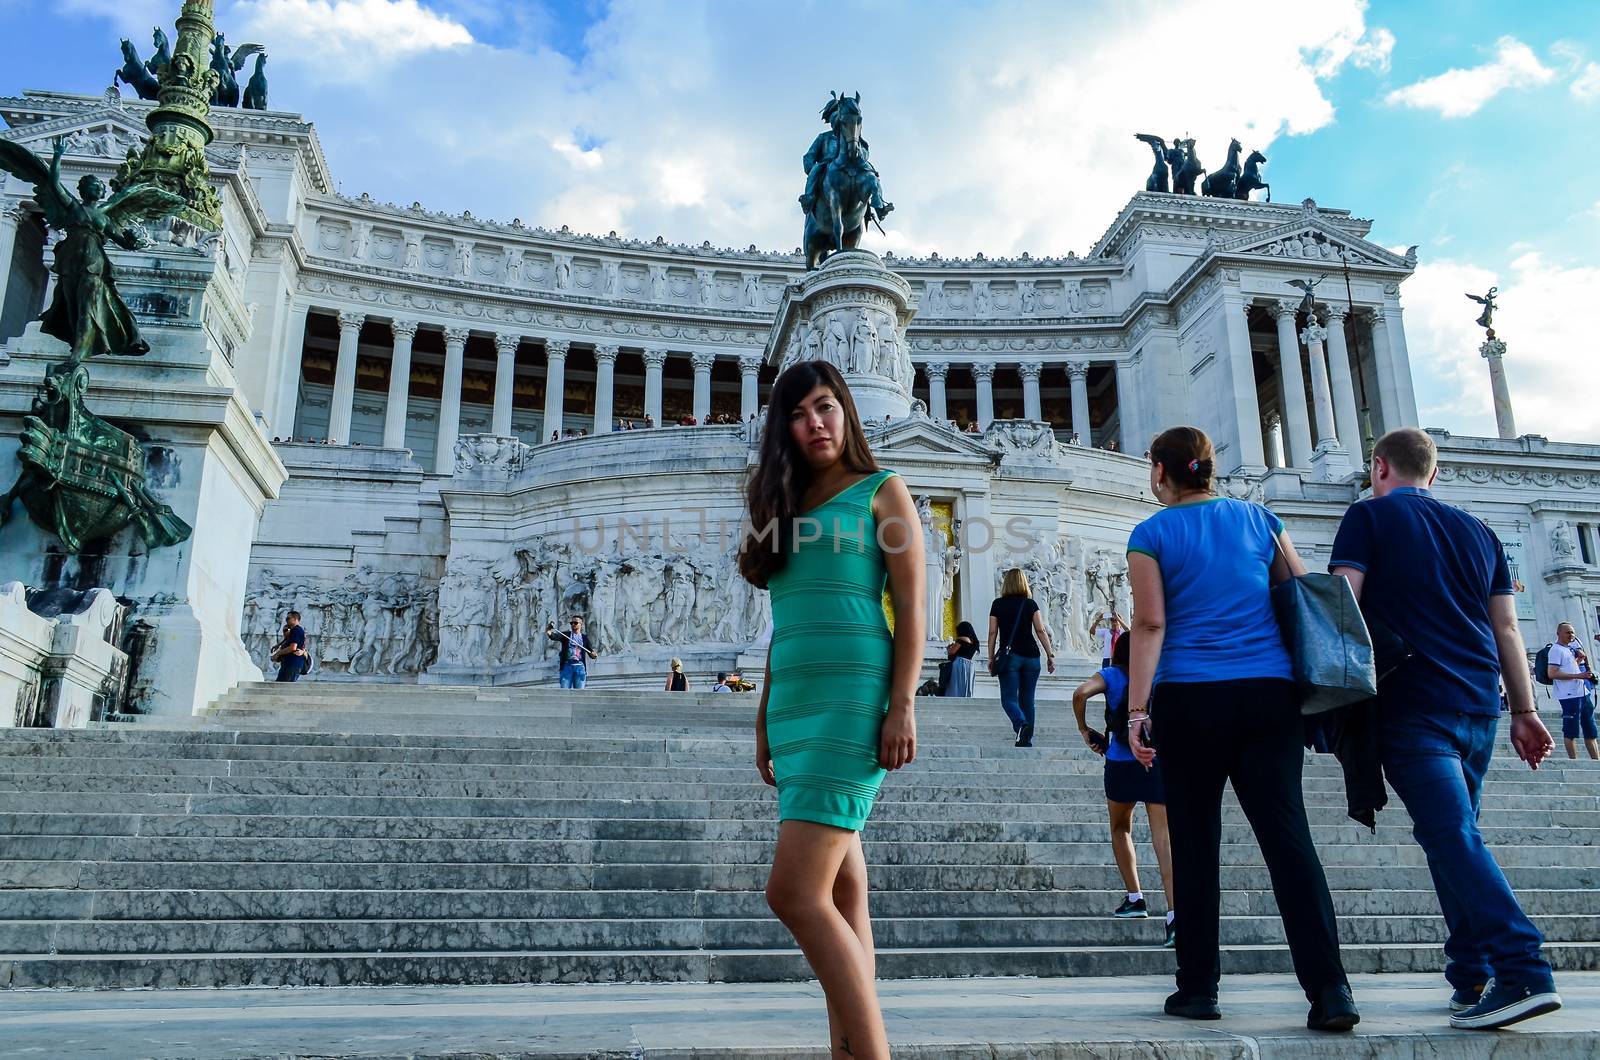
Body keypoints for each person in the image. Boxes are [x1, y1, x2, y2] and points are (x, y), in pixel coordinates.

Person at [1126, 426, 1356, 1031]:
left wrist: (1136, 712)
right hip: (1267, 696)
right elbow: (1300, 595)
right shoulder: (1260, 521)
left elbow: (1150, 626)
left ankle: (1198, 987)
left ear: (1159, 472)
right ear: (1207, 467)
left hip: (1190, 699)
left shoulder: (1150, 533)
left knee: (1195, 845)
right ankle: (1330, 990)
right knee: (1288, 840)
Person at [1330, 428, 1561, 1030]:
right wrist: (1525, 710)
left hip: (1413, 705)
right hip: (1481, 706)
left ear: (1379, 466)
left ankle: (1523, 969)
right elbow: (1508, 628)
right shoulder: (1480, 531)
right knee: (1453, 835)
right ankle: (1468, 974)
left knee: (1451, 835)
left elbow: (1342, 604)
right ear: (1432, 473)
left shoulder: (1368, 517)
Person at [737, 358, 923, 1059]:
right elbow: (785, 623)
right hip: (795, 705)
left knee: (793, 893)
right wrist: (763, 717)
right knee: (845, 897)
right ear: (782, 429)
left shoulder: (885, 489)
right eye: (798, 413)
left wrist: (903, 704)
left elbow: (911, 606)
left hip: (854, 700)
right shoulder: (780, 505)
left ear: (847, 412)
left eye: (825, 406)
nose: (814, 422)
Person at [1071, 632, 1175, 946]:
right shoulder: (1158, 673)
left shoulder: (1112, 675)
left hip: (1119, 760)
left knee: (1120, 827)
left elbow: (1080, 693)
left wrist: (1084, 729)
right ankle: (1174, 915)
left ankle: (1135, 897)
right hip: (1154, 760)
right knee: (1164, 837)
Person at [987, 569, 1056, 746]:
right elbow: (1040, 630)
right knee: (1028, 700)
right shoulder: (1030, 604)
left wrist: (990, 657)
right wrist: (1050, 654)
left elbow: (993, 632)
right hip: (1032, 657)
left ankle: (1021, 724)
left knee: (1009, 699)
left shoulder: (998, 604)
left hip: (1010, 657)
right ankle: (1027, 739)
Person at [1547, 622, 1598, 760]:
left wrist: (1579, 659)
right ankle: (1573, 761)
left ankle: (1596, 760)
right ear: (1559, 633)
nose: (1572, 635)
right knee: (1571, 731)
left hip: (1582, 693)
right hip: (1569, 696)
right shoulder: (1556, 650)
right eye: (1568, 632)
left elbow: (1570, 667)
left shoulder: (1569, 649)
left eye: (1573, 632)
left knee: (1591, 730)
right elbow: (1552, 673)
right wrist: (1578, 676)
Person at [545, 616, 596, 688]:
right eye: (572, 623)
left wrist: (593, 655)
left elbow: (591, 651)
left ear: (581, 625)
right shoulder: (566, 635)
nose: (573, 624)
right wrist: (549, 631)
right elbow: (554, 636)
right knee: (565, 690)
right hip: (567, 666)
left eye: (576, 623)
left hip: (580, 667)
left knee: (579, 692)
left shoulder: (584, 638)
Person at [942, 620, 980, 697]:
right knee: (965, 686)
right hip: (969, 665)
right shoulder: (974, 642)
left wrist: (949, 648)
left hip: (960, 663)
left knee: (956, 684)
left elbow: (952, 652)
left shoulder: (961, 639)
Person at [269, 611, 307, 682]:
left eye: (288, 618)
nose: (286, 620)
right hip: (290, 664)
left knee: (281, 686)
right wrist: (278, 645)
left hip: (292, 664)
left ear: (295, 619)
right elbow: (289, 640)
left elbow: (293, 647)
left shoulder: (296, 630)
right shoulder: (297, 630)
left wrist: (278, 653)